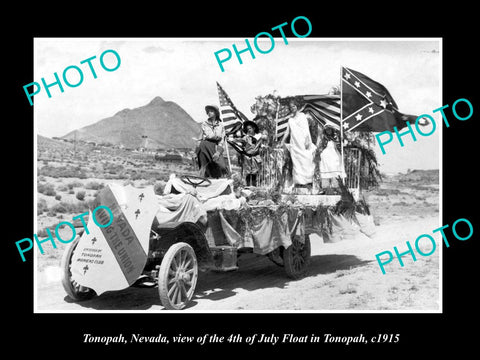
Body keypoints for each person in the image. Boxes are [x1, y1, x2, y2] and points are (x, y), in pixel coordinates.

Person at [279, 99, 316, 188]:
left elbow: (306, 129)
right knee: (297, 163)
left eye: (294, 106)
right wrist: (282, 141)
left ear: (297, 106)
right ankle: (298, 182)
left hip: (303, 142)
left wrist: (307, 141)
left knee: (306, 160)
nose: (292, 108)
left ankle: (308, 182)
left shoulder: (303, 116)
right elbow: (287, 132)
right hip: (294, 143)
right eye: (291, 107)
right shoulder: (290, 120)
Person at [194, 105, 228, 178]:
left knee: (222, 167)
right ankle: (203, 184)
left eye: (211, 111)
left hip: (215, 147)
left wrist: (218, 152)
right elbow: (200, 138)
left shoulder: (221, 126)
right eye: (208, 111)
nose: (209, 113)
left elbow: (222, 140)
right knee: (204, 168)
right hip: (204, 145)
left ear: (216, 113)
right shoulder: (204, 124)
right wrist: (196, 152)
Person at [240, 120, 265, 186]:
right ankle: (248, 186)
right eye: (247, 129)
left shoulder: (259, 137)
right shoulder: (245, 138)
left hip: (256, 157)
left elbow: (263, 145)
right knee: (248, 172)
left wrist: (262, 147)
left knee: (255, 172)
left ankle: (254, 186)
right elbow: (239, 142)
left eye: (250, 128)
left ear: (253, 128)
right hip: (247, 157)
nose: (249, 130)